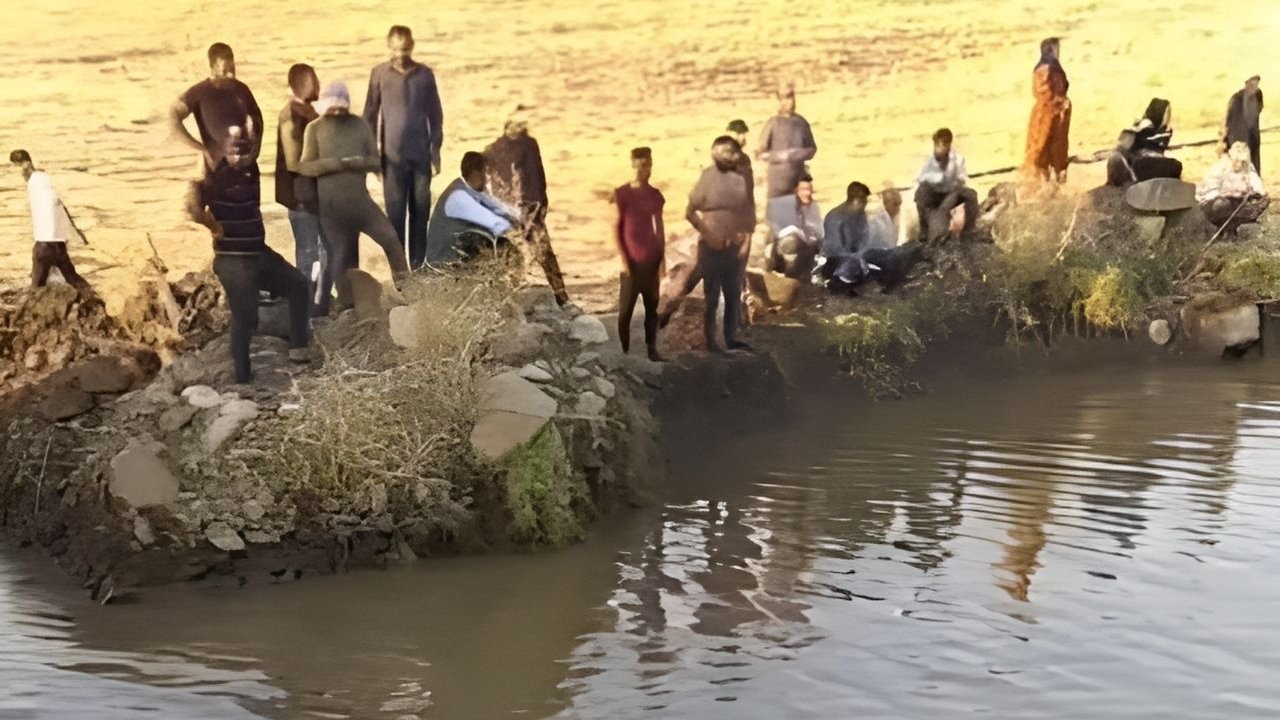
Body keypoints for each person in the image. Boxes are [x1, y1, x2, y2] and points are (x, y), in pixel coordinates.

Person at [171, 43, 309, 384]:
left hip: (259, 254)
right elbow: (190, 207)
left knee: (299, 286)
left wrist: (254, 150)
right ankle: (243, 380)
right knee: (246, 319)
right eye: (222, 70)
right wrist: (211, 223)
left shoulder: (250, 171)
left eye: (231, 68)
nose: (228, 76)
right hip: (234, 260)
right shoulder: (212, 175)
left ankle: (299, 350)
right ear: (211, 66)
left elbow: (257, 123)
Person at [298, 82, 411, 314]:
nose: (338, 113)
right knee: (341, 256)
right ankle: (347, 306)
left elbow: (375, 161)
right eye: (333, 109)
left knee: (390, 239)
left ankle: (408, 289)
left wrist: (359, 162)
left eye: (342, 108)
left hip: (361, 204)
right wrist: (336, 164)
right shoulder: (315, 129)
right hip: (331, 208)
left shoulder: (359, 125)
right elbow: (305, 167)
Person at [363, 25, 444, 269]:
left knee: (420, 217)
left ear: (412, 46)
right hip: (392, 159)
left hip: (420, 158)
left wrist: (436, 150)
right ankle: (400, 277)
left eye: (405, 49)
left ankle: (420, 271)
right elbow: (369, 115)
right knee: (395, 220)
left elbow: (436, 114)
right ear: (389, 47)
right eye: (396, 49)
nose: (401, 54)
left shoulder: (424, 74)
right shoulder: (379, 74)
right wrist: (372, 157)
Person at [484, 106, 568, 305]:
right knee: (544, 254)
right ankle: (561, 297)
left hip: (507, 210)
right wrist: (542, 203)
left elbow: (487, 183)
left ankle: (504, 302)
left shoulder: (491, 150)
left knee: (507, 257)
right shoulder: (529, 144)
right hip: (528, 207)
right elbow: (538, 176)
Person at [686, 136, 754, 353]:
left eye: (732, 152)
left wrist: (746, 240)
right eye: (724, 152)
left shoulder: (741, 179)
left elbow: (748, 213)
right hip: (710, 247)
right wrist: (707, 233)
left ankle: (731, 338)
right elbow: (690, 212)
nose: (729, 156)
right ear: (715, 153)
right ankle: (711, 342)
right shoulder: (707, 177)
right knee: (711, 297)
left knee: (733, 296)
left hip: (735, 248)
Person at [276, 63, 325, 313]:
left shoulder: (303, 113)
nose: (318, 85)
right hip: (303, 199)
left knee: (318, 253)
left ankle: (316, 304)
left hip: (309, 198)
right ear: (305, 83)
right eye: (314, 80)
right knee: (309, 256)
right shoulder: (291, 116)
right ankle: (306, 310)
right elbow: (294, 162)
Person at [821, 182, 923, 295]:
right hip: (838, 261)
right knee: (853, 266)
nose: (866, 203)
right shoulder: (835, 217)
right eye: (864, 200)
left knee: (892, 256)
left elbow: (864, 240)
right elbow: (834, 249)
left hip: (859, 255)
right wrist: (858, 258)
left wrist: (866, 254)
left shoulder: (860, 214)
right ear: (856, 200)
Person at [10, 150, 90, 290]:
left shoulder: (37, 182)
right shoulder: (43, 180)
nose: (21, 172)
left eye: (19, 167)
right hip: (58, 244)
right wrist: (75, 232)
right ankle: (98, 302)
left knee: (36, 288)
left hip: (44, 245)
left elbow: (52, 202)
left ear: (25, 165)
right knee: (72, 278)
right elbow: (59, 206)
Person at [614, 147, 666, 361]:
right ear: (633, 165)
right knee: (625, 311)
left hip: (651, 260)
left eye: (649, 165)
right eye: (642, 165)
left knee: (651, 309)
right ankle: (624, 352)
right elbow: (617, 228)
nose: (645, 170)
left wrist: (662, 261)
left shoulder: (655, 195)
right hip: (631, 262)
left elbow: (660, 228)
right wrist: (625, 261)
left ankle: (652, 350)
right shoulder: (622, 193)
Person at [424, 152, 523, 263]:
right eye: (489, 173)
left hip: (457, 256)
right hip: (443, 263)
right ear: (477, 173)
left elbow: (498, 208)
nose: (492, 178)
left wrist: (520, 217)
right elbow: (497, 224)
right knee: (503, 244)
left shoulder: (469, 189)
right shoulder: (458, 197)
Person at [915, 128, 979, 242]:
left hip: (951, 191)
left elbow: (962, 178)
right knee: (920, 194)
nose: (941, 148)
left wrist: (953, 189)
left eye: (944, 144)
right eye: (938, 144)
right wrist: (937, 180)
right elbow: (921, 178)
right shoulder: (928, 159)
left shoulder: (958, 159)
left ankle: (969, 231)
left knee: (971, 195)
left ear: (949, 145)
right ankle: (924, 231)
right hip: (933, 191)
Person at [1023, 37, 1072, 184]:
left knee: (1041, 148)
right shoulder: (1050, 69)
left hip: (1043, 112)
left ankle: (1045, 183)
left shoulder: (1041, 67)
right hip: (1053, 113)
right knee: (1052, 148)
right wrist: (1061, 106)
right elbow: (1053, 91)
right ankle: (1051, 185)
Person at [757, 84, 817, 199]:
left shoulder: (801, 123)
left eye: (791, 97)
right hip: (778, 185)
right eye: (785, 97)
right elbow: (760, 153)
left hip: (799, 183)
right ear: (779, 101)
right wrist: (780, 156)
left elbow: (812, 149)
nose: (790, 101)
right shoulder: (773, 123)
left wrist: (795, 154)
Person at [1196, 141, 1268, 228]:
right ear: (1230, 156)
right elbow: (1209, 193)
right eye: (1237, 161)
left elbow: (1258, 187)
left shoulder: (1247, 167)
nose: (1240, 164)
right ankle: (1223, 228)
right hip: (1213, 204)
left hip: (1238, 203)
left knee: (1262, 201)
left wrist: (1254, 192)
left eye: (1243, 162)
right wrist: (1228, 193)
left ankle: (1238, 225)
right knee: (1221, 205)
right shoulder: (1219, 169)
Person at [764, 173, 822, 279]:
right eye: (803, 189)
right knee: (791, 241)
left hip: (806, 250)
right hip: (783, 250)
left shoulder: (813, 206)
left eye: (809, 189)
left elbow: (818, 231)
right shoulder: (784, 205)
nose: (807, 193)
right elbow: (775, 229)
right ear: (795, 190)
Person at [1224, 75, 1264, 172]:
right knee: (1240, 167)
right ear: (1246, 84)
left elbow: (1259, 109)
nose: (1253, 88)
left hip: (1253, 136)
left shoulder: (1258, 95)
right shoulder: (1236, 99)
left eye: (1256, 84)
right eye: (1251, 84)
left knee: (1254, 166)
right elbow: (1229, 121)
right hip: (1239, 138)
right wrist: (1230, 140)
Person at [727, 119, 755, 209]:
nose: (743, 137)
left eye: (743, 133)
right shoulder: (726, 158)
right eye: (740, 134)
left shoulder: (744, 158)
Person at [867, 185, 903, 250]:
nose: (898, 208)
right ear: (886, 203)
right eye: (895, 204)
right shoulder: (874, 221)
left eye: (899, 204)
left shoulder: (896, 219)